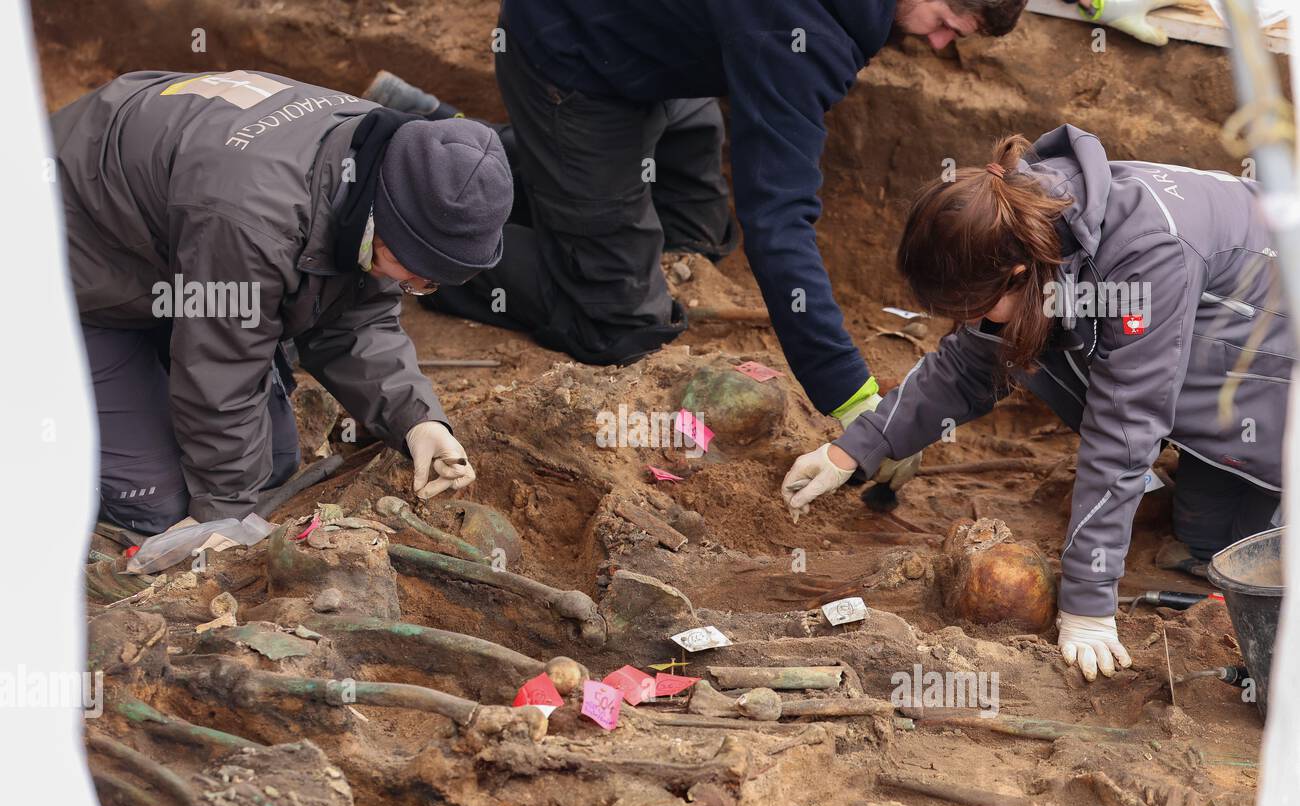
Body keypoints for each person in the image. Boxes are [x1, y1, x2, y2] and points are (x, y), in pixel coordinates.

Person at [368, 0, 1029, 465]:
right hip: (574, 55)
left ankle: (434, 139)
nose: (940, 44)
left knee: (694, 237)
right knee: (617, 324)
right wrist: (852, 396)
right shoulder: (801, 30)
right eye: (945, 23)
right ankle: (404, 210)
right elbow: (777, 219)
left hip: (663, 48)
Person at [782, 125, 1291, 681]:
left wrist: (1089, 606)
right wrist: (851, 451)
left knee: (1257, 568)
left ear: (1020, 274)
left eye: (980, 305)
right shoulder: (1021, 229)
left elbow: (1124, 426)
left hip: (1277, 357)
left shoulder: (1145, 256)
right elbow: (971, 361)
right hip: (1220, 348)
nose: (974, 321)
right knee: (1205, 539)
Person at [50, 69, 514, 533]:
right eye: (413, 275)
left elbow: (354, 321)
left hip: (168, 266)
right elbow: (220, 363)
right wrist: (223, 519)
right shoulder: (253, 219)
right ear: (383, 221)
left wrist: (418, 420)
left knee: (274, 461)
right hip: (68, 278)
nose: (413, 287)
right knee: (160, 504)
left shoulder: (380, 159)